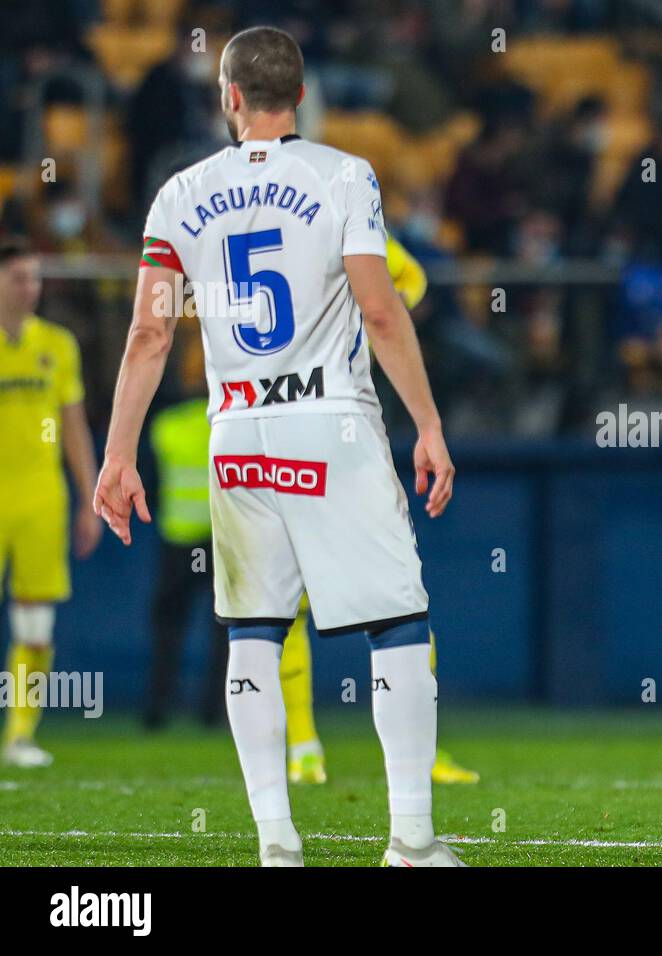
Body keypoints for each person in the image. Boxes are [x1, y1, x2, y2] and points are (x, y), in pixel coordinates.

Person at [93, 26, 461, 867]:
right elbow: (380, 309)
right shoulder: (344, 175)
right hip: (330, 422)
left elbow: (150, 335)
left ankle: (276, 842)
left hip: (236, 433)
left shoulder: (178, 193)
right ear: (300, 94)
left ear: (227, 96)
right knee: (398, 623)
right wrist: (429, 424)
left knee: (252, 632)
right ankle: (410, 839)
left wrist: (117, 456)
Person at [282, 234, 478, 787]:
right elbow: (408, 286)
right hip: (335, 430)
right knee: (395, 598)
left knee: (283, 605)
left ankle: (305, 749)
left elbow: (410, 282)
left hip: (267, 432)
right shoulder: (348, 221)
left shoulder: (254, 219)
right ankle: (334, 748)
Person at [0, 236, 100, 766]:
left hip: (41, 497)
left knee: (35, 623)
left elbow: (73, 427)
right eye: (19, 277)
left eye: (35, 277)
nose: (30, 287)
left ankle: (20, 734)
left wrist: (89, 498)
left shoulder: (58, 345)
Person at [144, 391, 226, 728]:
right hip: (218, 539)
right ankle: (215, 708)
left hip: (177, 540)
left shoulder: (165, 427)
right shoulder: (224, 422)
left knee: (168, 626)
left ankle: (158, 706)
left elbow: (149, 483)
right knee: (224, 626)